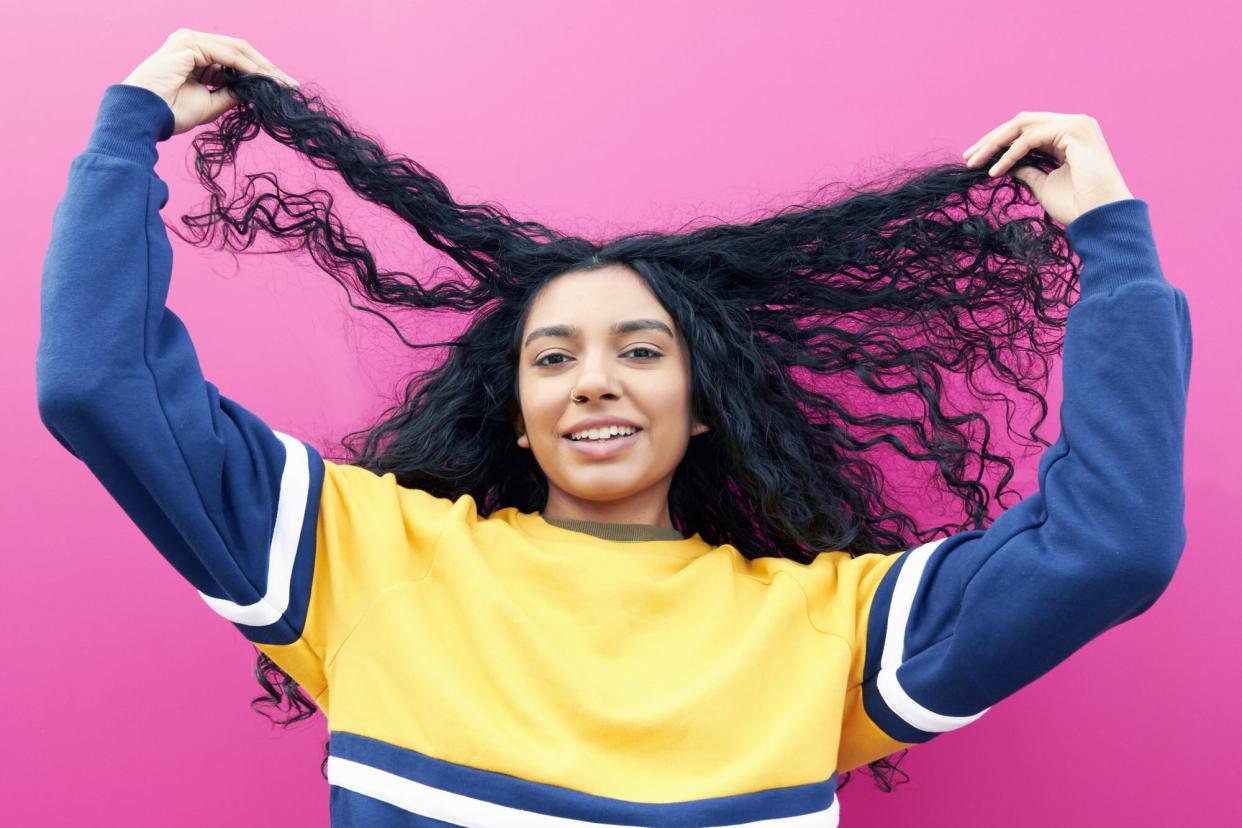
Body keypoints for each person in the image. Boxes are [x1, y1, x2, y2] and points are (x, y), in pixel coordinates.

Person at [36, 29, 1192, 827]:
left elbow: (1109, 546)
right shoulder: (360, 556)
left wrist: (1113, 244)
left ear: (703, 412)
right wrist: (127, 131)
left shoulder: (824, 628)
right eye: (554, 358)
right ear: (519, 417)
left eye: (642, 352)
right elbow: (100, 383)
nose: (594, 382)